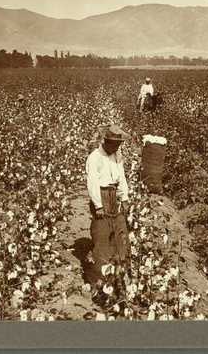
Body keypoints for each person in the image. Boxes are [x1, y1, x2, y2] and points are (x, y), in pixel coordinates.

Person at [85, 125, 131, 295]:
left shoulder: (116, 155)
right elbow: (93, 183)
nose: (117, 148)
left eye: (119, 145)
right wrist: (98, 205)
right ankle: (97, 278)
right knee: (102, 235)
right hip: (101, 196)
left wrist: (124, 198)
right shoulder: (95, 157)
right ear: (106, 141)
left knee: (120, 233)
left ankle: (120, 273)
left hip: (114, 196)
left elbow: (122, 176)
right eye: (114, 145)